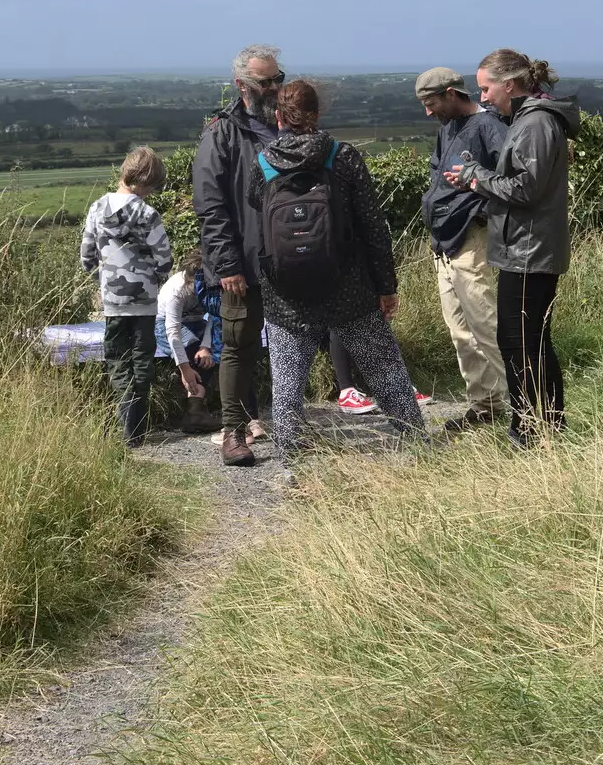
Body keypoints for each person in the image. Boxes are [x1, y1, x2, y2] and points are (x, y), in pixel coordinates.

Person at [249, 80, 426, 466]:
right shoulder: (342, 157)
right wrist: (386, 286)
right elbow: (373, 227)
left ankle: (289, 466)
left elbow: (255, 209)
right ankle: (419, 449)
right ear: (317, 114)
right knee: (386, 371)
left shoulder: (262, 163)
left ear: (278, 117)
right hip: (349, 288)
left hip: (285, 293)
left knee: (288, 384)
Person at [447, 49, 581, 448]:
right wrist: (479, 181)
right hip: (525, 246)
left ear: (509, 84)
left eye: (486, 88)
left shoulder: (536, 122)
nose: (483, 97)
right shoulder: (529, 119)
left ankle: (530, 430)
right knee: (528, 339)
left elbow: (526, 188)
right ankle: (546, 427)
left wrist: (475, 176)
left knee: (519, 341)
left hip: (529, 250)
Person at [193, 44, 285, 466]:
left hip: (290, 261)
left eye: (277, 78)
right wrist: (227, 264)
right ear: (241, 85)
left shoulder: (291, 127)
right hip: (243, 265)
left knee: (292, 343)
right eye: (264, 81)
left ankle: (289, 423)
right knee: (238, 346)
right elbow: (210, 205)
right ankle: (234, 433)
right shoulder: (221, 133)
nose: (273, 87)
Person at [416, 66, 509, 432]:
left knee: (486, 325)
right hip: (444, 241)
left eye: (432, 102)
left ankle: (526, 407)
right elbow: (438, 175)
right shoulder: (447, 129)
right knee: (460, 330)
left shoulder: (489, 126)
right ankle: (485, 404)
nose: (428, 111)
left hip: (472, 238)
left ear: (453, 93)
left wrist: (480, 212)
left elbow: (511, 179)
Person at [80, 146, 173, 447]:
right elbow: (165, 260)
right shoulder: (148, 214)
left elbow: (86, 257)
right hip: (145, 301)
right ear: (147, 182)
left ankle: (126, 425)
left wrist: (102, 274)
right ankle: (137, 429)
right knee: (142, 361)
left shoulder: (96, 208)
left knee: (118, 361)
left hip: (112, 301)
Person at [154, 249, 225, 435]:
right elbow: (173, 332)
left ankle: (196, 411)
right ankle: (195, 411)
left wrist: (206, 346)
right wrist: (184, 369)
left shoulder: (213, 283)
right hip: (164, 324)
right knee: (192, 349)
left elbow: (214, 316)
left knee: (213, 349)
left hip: (196, 322)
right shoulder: (176, 291)